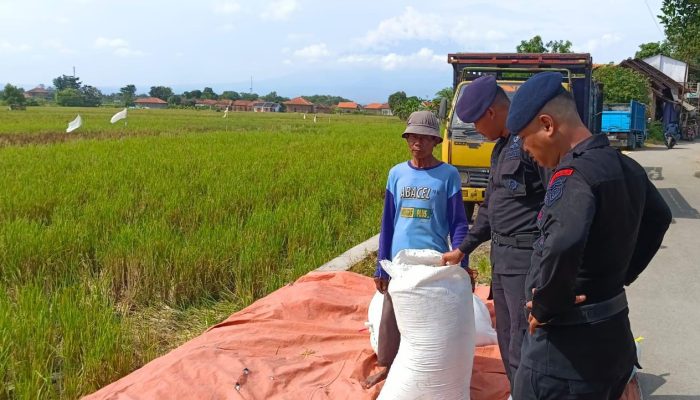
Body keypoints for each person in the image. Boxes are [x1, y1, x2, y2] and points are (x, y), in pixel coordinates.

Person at [506, 72, 672, 400]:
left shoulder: (573, 175)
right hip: (612, 344)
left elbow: (562, 241)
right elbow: (660, 217)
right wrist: (623, 273)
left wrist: (545, 305)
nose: (525, 149)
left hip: (564, 359)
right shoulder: (624, 166)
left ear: (547, 124)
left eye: (525, 138)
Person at [441, 75, 549, 389]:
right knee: (506, 335)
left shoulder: (531, 144)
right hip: (502, 260)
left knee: (523, 337)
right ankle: (519, 390)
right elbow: (490, 207)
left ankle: (530, 392)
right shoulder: (500, 149)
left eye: (476, 122)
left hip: (526, 258)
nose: (476, 130)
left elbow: (558, 202)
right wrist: (463, 248)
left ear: (491, 112)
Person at [364, 110, 471, 388]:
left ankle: (433, 365)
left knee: (430, 316)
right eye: (412, 137)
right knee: (391, 311)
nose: (417, 143)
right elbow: (388, 222)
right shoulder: (396, 174)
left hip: (432, 260)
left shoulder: (448, 176)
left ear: (435, 140)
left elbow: (459, 222)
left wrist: (463, 259)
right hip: (399, 261)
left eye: (424, 138)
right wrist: (381, 264)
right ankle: (386, 363)